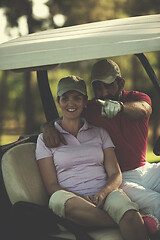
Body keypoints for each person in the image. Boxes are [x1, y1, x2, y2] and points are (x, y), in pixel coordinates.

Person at [42, 60, 160, 235]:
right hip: (121, 177)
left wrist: (120, 108)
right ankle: (145, 219)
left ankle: (149, 219)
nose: (104, 93)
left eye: (109, 86)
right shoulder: (91, 108)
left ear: (121, 83)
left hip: (145, 168)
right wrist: (45, 127)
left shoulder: (138, 98)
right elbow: (67, 114)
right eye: (98, 87)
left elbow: (143, 109)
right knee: (157, 202)